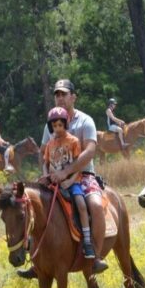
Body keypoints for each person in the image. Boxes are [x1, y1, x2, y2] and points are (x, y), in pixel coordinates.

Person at [18, 79, 108, 279]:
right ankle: (36, 260)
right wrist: (46, 173)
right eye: (57, 94)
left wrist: (67, 172)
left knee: (94, 204)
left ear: (73, 97)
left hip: (82, 175)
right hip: (53, 175)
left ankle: (95, 256)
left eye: (64, 94)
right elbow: (43, 153)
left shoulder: (85, 121)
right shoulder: (50, 124)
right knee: (33, 205)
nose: (60, 98)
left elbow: (90, 151)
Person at [43, 107, 96, 259]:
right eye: (54, 126)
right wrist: (46, 176)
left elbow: (78, 167)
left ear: (65, 125)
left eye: (60, 125)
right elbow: (45, 163)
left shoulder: (73, 141)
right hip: (53, 183)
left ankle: (87, 240)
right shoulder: (50, 144)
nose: (57, 129)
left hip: (72, 182)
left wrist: (69, 182)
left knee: (80, 203)